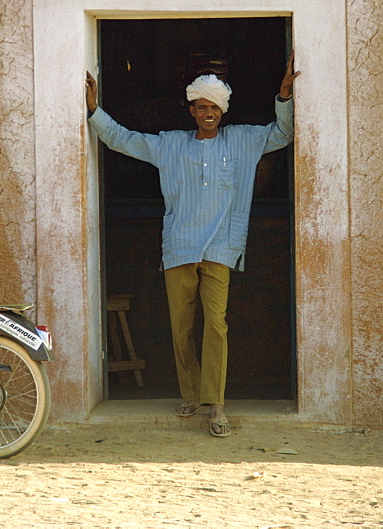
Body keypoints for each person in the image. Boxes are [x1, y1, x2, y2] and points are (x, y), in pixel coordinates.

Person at [85, 53, 300, 438]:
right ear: (191, 109)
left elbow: (282, 134)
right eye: (201, 106)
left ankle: (216, 405)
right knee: (181, 327)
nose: (208, 113)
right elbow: (123, 140)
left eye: (214, 107)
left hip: (220, 247)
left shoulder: (243, 140)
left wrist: (283, 97)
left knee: (216, 326)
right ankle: (192, 394)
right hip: (179, 247)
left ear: (223, 109)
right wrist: (94, 110)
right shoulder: (171, 146)